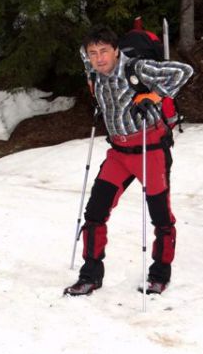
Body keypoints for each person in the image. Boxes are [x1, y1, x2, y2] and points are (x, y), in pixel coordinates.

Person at [65, 26, 193, 296]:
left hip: (150, 150)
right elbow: (82, 53)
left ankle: (159, 275)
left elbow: (183, 71)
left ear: (115, 50)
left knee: (160, 217)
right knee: (94, 213)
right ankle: (90, 275)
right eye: (93, 53)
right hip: (119, 154)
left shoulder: (137, 68)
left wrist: (155, 95)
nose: (98, 58)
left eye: (104, 52)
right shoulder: (93, 72)